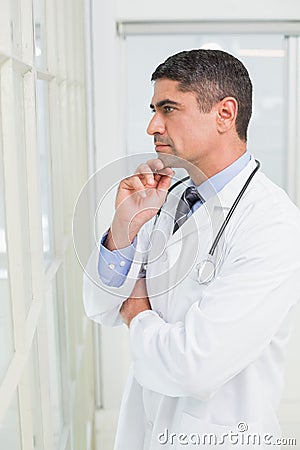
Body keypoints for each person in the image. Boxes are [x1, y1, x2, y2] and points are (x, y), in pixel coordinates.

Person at [83, 50, 300, 449]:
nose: (152, 125)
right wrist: (123, 229)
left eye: (168, 108)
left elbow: (193, 366)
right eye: (153, 108)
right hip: (147, 430)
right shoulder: (168, 196)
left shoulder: (273, 225)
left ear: (224, 114)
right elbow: (99, 305)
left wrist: (138, 314)